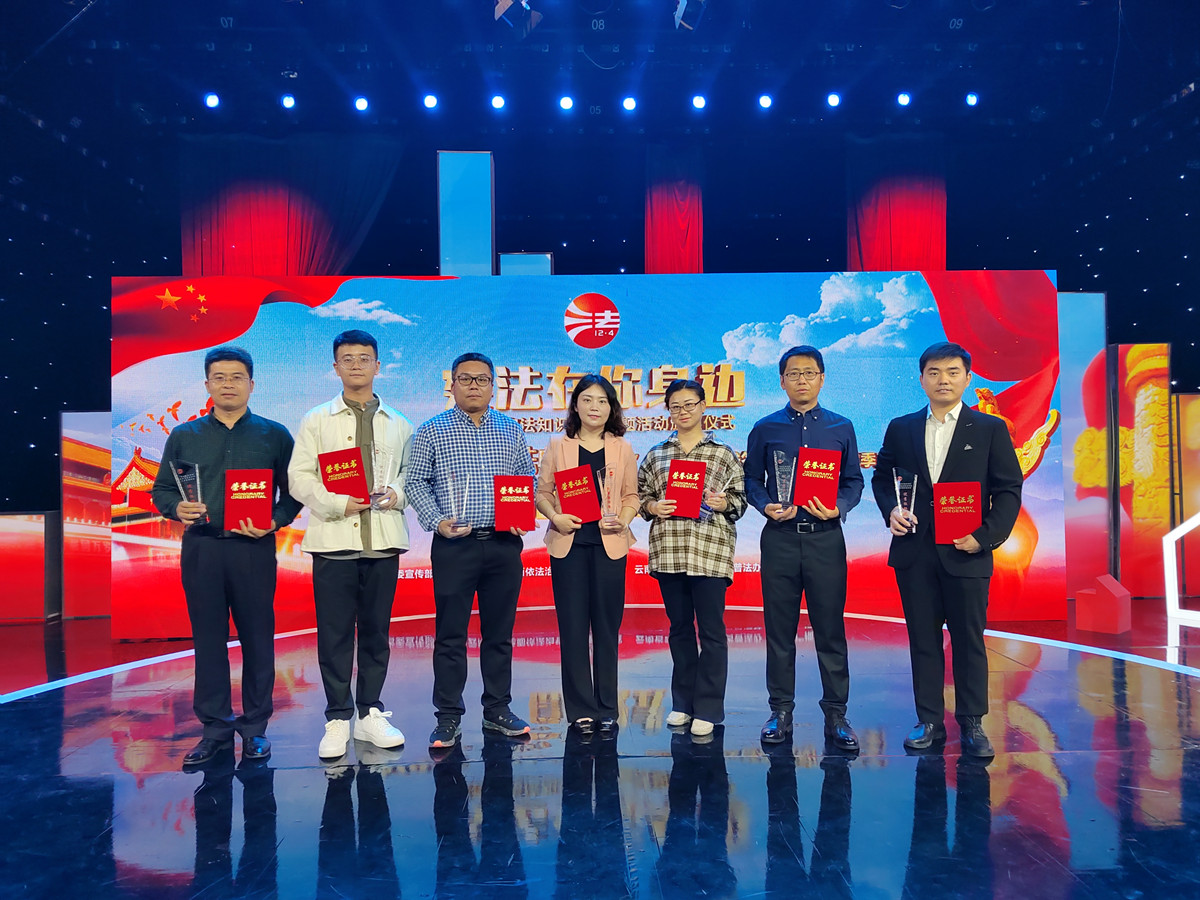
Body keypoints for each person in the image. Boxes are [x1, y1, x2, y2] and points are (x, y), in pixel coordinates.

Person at [871, 341, 1023, 758]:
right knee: (922, 640)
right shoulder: (901, 428)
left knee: (969, 640)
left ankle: (972, 722)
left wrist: (985, 536)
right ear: (921, 379)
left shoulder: (989, 429)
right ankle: (929, 721)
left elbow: (1008, 490)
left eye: (953, 372)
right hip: (915, 551)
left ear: (968, 378)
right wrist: (891, 512)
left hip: (967, 551)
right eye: (934, 372)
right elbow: (882, 479)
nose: (944, 380)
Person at [151, 346, 302, 767]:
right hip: (203, 548)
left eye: (237, 377)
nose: (228, 384)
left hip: (253, 550)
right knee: (208, 640)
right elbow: (162, 489)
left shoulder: (274, 435)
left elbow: (294, 493)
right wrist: (176, 508)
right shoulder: (185, 435)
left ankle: (255, 729)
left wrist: (274, 521)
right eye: (219, 377)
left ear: (252, 384)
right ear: (207, 385)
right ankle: (215, 729)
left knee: (258, 639)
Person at [288, 329, 414, 759]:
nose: (356, 365)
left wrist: (396, 493)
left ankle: (370, 712)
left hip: (383, 540)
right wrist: (338, 502)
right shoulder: (316, 419)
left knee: (377, 632)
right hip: (333, 540)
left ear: (378, 366)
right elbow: (299, 477)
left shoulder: (399, 423)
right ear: (335, 367)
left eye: (364, 358)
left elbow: (411, 474)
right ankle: (338, 716)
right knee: (335, 633)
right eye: (348, 358)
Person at [407, 351, 537, 751]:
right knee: (450, 635)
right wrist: (437, 521)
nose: (474, 386)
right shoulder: (432, 430)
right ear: (453, 385)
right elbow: (415, 482)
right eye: (465, 379)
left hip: (503, 545)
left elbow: (526, 478)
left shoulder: (511, 429)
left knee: (499, 634)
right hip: (454, 546)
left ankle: (497, 709)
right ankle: (448, 717)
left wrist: (522, 513)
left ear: (493, 386)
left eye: (482, 379)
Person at [743, 345, 864, 749]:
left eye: (809, 373)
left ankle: (837, 715)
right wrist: (765, 505)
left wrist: (839, 507)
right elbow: (752, 479)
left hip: (825, 538)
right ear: (781, 381)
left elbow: (854, 481)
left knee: (830, 629)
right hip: (780, 538)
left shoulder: (841, 427)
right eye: (793, 373)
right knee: (780, 631)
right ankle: (780, 712)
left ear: (822, 379)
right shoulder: (765, 428)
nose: (801, 380)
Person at [638, 379, 746, 738]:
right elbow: (640, 497)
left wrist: (723, 502)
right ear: (668, 410)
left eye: (689, 404)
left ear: (703, 407)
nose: (683, 412)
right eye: (676, 406)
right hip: (669, 552)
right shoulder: (656, 454)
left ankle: (709, 707)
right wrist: (653, 506)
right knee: (680, 630)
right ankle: (683, 703)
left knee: (712, 632)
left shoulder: (723, 454)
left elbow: (740, 501)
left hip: (709, 552)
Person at [535, 374, 640, 737]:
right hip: (569, 545)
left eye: (602, 401)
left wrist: (623, 519)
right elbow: (542, 493)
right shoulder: (558, 445)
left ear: (611, 408)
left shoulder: (622, 448)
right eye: (588, 400)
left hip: (609, 544)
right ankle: (580, 709)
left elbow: (632, 496)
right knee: (573, 628)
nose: (595, 407)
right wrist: (555, 516)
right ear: (576, 405)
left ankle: (607, 707)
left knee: (607, 629)